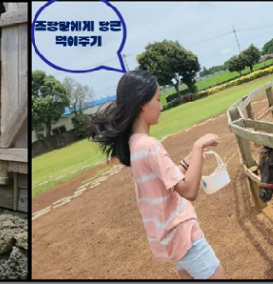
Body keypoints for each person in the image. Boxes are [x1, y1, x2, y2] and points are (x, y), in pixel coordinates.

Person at [87, 70, 227, 279]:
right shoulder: (151, 146)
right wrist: (198, 146)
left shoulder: (135, 146)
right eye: (158, 99)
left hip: (174, 241)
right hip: (186, 237)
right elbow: (189, 190)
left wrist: (188, 161)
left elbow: (165, 185)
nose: (161, 106)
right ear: (143, 104)